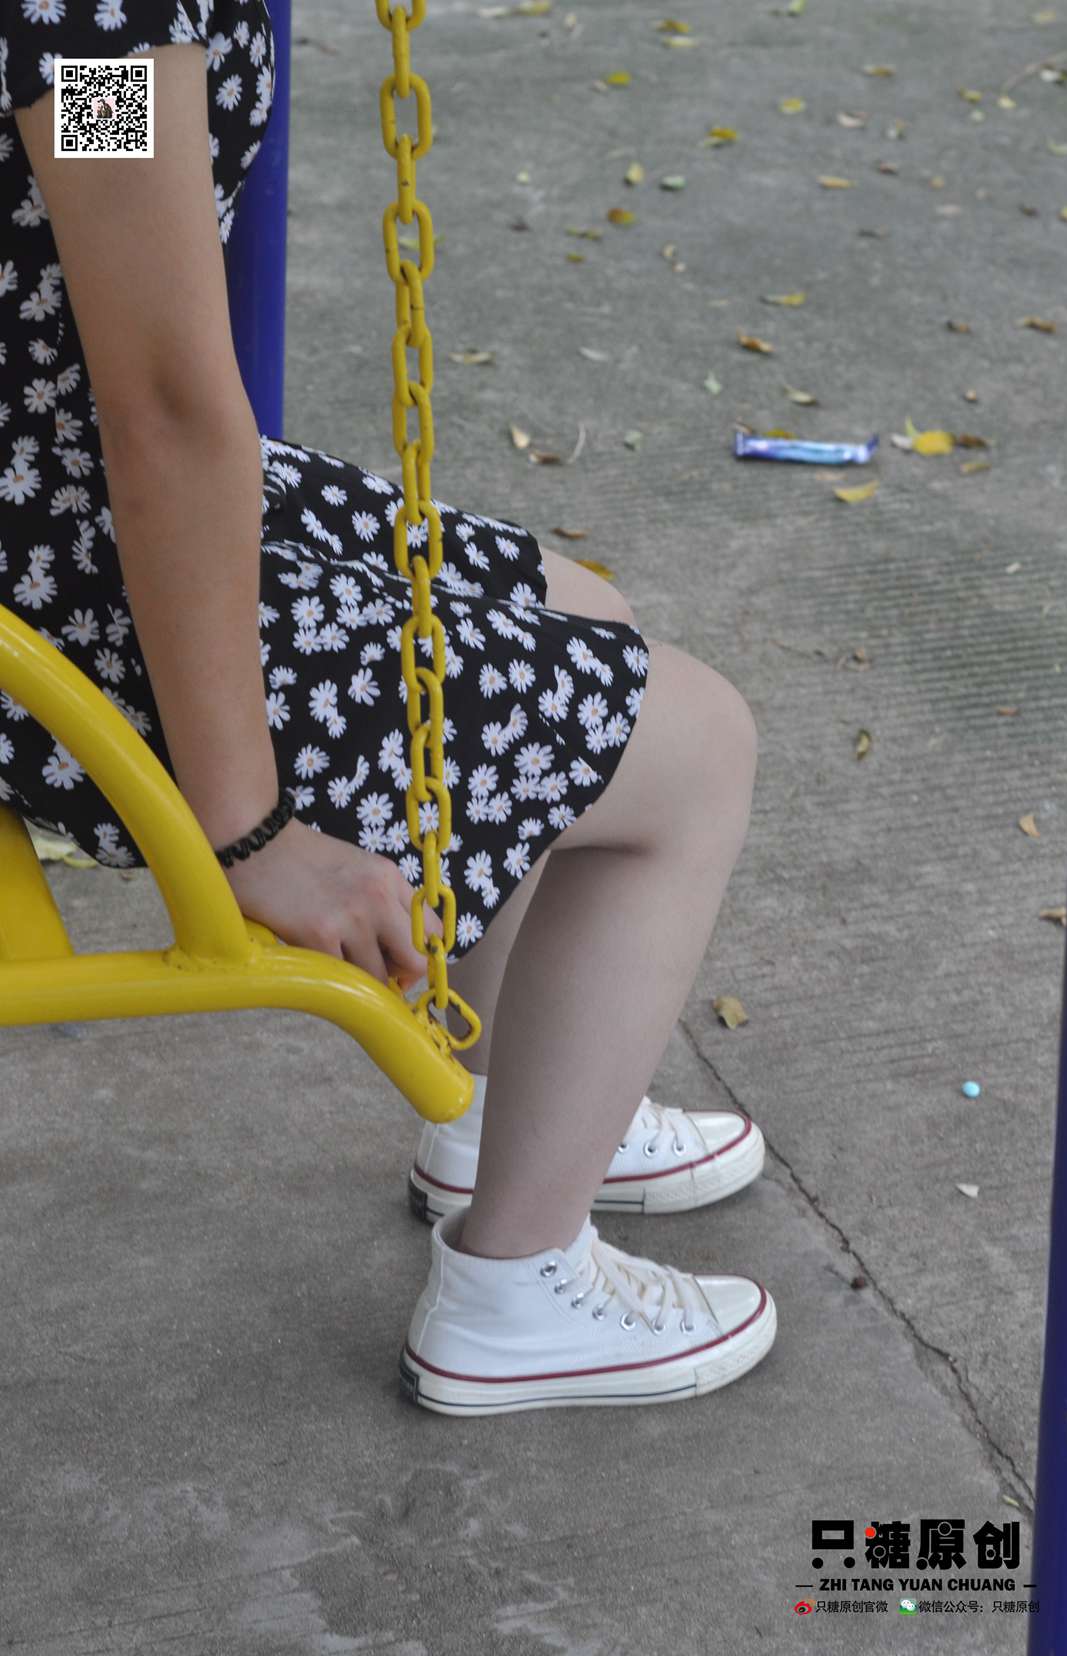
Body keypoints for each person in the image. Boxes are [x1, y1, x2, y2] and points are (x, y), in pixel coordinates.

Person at [0, 0, 777, 1415]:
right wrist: (247, 833)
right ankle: (516, 1290)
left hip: (58, 476)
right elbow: (162, 405)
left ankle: (514, 1121)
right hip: (46, 576)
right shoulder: (94, 35)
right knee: (697, 750)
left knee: (583, 620)